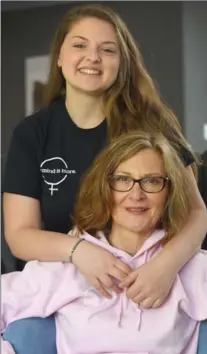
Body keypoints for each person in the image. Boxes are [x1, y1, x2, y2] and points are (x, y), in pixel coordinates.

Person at [2, 3, 207, 353]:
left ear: (122, 61)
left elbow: (196, 214)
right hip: (62, 292)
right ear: (60, 57)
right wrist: (79, 251)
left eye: (107, 49)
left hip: (147, 284)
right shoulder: (32, 134)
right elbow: (19, 236)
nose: (92, 57)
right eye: (79, 45)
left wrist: (165, 266)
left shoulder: (153, 126)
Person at [2, 131, 207, 354]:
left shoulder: (192, 267)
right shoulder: (68, 267)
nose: (136, 194)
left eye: (151, 181)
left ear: (169, 192)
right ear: (104, 189)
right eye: (122, 179)